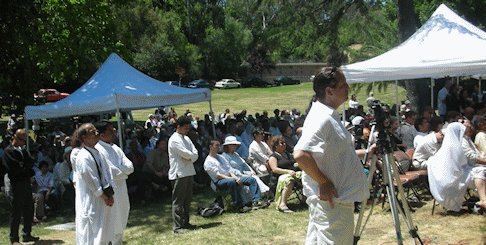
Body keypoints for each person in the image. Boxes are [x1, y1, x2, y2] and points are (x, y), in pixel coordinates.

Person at [293, 67, 374, 244]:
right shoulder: (322, 118)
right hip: (333, 203)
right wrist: (323, 181)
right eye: (343, 85)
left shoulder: (328, 115)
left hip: (334, 202)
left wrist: (367, 152)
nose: (348, 88)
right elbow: (300, 154)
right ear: (329, 91)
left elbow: (337, 155)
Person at [75, 123, 115, 244]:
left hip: (103, 200)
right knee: (92, 237)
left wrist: (110, 195)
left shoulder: (98, 153)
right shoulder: (83, 157)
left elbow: (106, 175)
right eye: (92, 132)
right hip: (91, 202)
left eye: (96, 131)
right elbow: (92, 182)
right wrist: (105, 196)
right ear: (84, 138)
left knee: (104, 234)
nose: (96, 133)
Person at [95, 120, 134, 245]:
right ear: (102, 135)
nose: (114, 133)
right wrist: (123, 172)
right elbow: (110, 171)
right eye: (111, 131)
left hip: (122, 188)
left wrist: (120, 170)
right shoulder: (98, 149)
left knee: (122, 215)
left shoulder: (115, 147)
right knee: (110, 219)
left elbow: (130, 166)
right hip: (110, 190)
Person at [204, 140, 267, 212]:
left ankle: (257, 200)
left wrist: (236, 177)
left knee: (251, 179)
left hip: (230, 178)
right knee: (232, 181)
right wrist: (233, 178)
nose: (219, 147)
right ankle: (239, 206)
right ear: (210, 147)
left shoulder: (221, 157)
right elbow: (218, 176)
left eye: (219, 145)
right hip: (219, 182)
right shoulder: (208, 161)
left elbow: (229, 170)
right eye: (216, 145)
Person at [2, 129, 40, 244]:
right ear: (15, 138)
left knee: (29, 208)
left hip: (25, 183)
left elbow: (30, 163)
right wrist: (24, 167)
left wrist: (24, 167)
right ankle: (14, 238)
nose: (24, 142)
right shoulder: (8, 152)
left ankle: (26, 233)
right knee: (17, 211)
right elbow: (14, 168)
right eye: (22, 140)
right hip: (16, 184)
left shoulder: (23, 150)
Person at [168, 116, 199, 234]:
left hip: (189, 171)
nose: (187, 130)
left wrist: (190, 157)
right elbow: (185, 154)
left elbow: (195, 153)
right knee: (178, 201)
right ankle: (178, 226)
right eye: (185, 128)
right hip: (179, 173)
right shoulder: (174, 139)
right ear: (178, 127)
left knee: (187, 200)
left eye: (188, 128)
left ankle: (186, 222)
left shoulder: (187, 139)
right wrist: (190, 156)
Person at [221, 136, 272, 201]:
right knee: (251, 179)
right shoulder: (224, 157)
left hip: (244, 173)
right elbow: (229, 170)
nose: (236, 146)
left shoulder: (236, 154)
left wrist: (251, 170)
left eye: (236, 144)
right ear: (228, 146)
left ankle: (267, 193)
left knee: (254, 177)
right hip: (235, 176)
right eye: (234, 144)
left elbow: (244, 163)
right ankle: (263, 196)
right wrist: (241, 174)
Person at [268, 136, 302, 213]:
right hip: (278, 179)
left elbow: (292, 164)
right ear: (276, 145)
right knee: (289, 182)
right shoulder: (273, 157)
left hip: (291, 174)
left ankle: (305, 199)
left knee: (305, 177)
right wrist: (287, 171)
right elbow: (275, 169)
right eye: (282, 143)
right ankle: (283, 204)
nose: (284, 144)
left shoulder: (286, 154)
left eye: (284, 143)